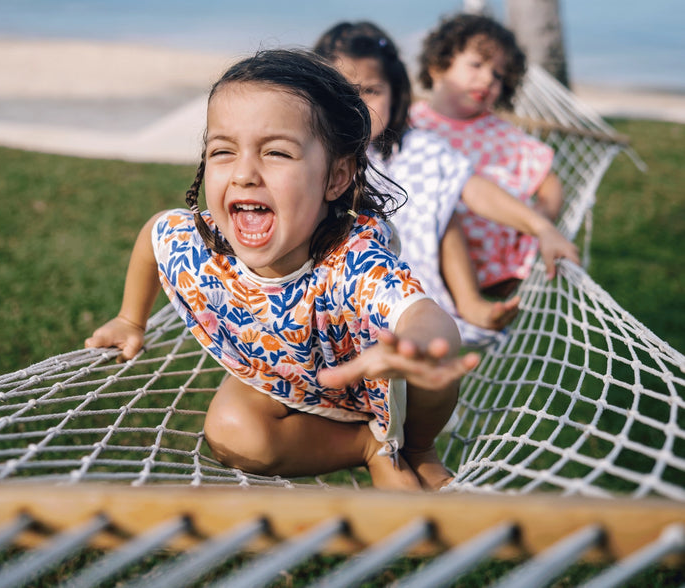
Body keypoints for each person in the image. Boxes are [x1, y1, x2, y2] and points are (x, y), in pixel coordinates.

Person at [85, 48, 479, 492]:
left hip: (372, 380)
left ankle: (418, 448)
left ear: (335, 177)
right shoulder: (202, 242)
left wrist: (417, 344)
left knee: (431, 369)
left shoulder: (352, 260)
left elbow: (423, 314)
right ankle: (366, 448)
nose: (244, 174)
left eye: (275, 152)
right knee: (230, 429)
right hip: (280, 376)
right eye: (223, 152)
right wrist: (129, 319)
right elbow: (154, 237)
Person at [314, 21, 578, 342]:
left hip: (405, 274)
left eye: (371, 91)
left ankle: (469, 303)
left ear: (395, 94)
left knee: (446, 199)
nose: (356, 104)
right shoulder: (309, 152)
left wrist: (542, 227)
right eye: (341, 92)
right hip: (325, 277)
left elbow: (473, 188)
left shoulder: (413, 145)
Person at [412, 12, 564, 296]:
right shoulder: (411, 124)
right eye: (476, 65)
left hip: (499, 262)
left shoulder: (501, 133)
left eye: (497, 74)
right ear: (437, 67)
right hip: (425, 252)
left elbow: (549, 181)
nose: (487, 79)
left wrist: (541, 218)